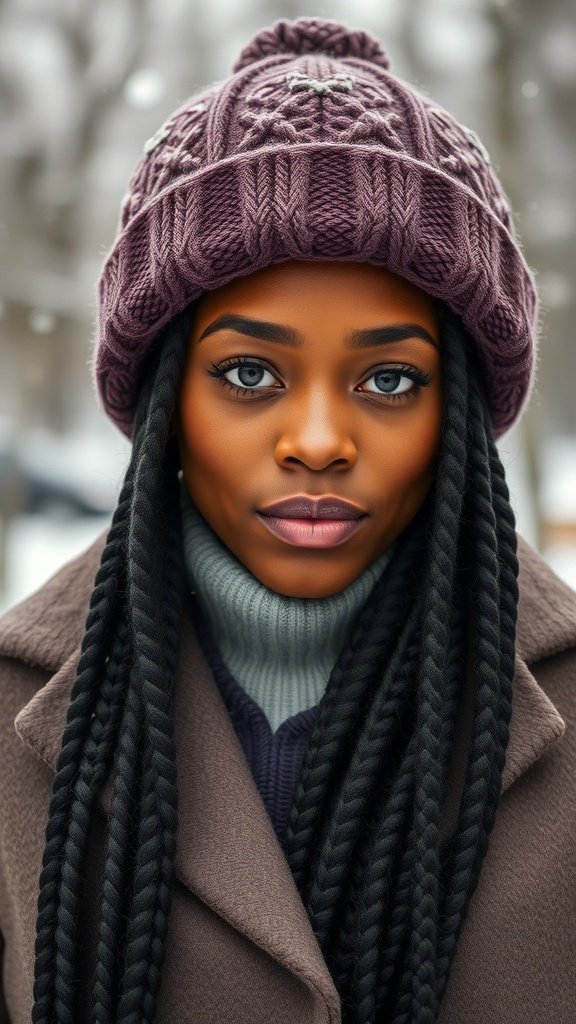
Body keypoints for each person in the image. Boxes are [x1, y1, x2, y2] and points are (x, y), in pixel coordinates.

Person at [0, 15, 575, 1024]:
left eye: (391, 377)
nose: (318, 440)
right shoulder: (13, 714)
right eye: (249, 373)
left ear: (462, 411)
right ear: (170, 397)